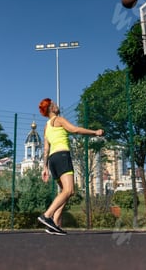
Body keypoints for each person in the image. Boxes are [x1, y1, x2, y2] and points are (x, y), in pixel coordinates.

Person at [37, 98, 104, 235]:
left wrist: (45, 167)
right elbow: (74, 129)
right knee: (68, 190)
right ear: (51, 108)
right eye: (54, 105)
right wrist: (94, 132)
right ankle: (47, 216)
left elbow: (46, 149)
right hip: (62, 156)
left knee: (68, 192)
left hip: (52, 160)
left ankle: (54, 224)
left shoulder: (46, 126)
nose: (57, 106)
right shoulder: (59, 120)